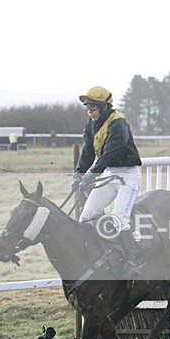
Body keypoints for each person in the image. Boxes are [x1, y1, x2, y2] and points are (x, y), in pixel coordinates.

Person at [72, 85, 142, 277]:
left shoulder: (118, 122)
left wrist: (89, 176)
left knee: (119, 218)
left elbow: (109, 153)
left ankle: (132, 261)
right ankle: (99, 256)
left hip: (128, 175)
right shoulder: (90, 124)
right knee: (86, 216)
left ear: (104, 106)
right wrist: (78, 173)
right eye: (87, 108)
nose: (89, 111)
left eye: (93, 107)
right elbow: (87, 152)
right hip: (109, 174)